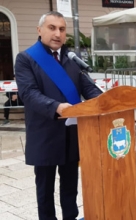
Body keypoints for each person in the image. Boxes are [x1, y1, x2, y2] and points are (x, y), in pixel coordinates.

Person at [14, 11, 102, 219]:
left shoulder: (72, 59)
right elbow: (29, 93)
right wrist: (56, 107)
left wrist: (104, 101)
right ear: (39, 30)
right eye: (52, 28)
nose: (57, 34)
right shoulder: (26, 59)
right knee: (45, 191)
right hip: (45, 135)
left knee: (70, 188)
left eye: (62, 29)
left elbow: (88, 88)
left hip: (72, 135)